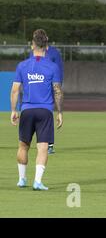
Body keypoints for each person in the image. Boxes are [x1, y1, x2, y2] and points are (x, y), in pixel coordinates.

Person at [10, 29, 63, 190]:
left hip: (27, 110)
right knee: (43, 147)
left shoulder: (22, 66)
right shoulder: (53, 67)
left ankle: (21, 179)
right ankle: (37, 182)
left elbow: (15, 90)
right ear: (46, 47)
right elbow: (57, 91)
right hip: (45, 112)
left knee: (23, 146)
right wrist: (59, 112)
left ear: (32, 45)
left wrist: (13, 110)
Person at [28, 35, 64, 154]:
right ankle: (30, 141)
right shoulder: (32, 52)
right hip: (36, 85)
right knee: (35, 112)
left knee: (47, 113)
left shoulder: (54, 53)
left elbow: (59, 70)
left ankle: (50, 144)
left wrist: (57, 87)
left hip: (49, 87)